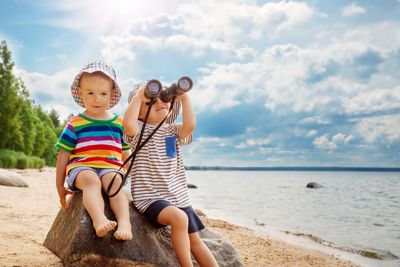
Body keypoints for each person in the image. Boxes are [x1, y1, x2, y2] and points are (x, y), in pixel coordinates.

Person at [123, 82, 218, 266]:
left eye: (164, 98)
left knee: (196, 240)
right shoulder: (138, 132)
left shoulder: (173, 131)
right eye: (151, 100)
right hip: (150, 197)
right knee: (180, 218)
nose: (160, 102)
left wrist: (184, 97)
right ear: (140, 113)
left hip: (178, 197)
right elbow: (128, 123)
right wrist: (138, 98)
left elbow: (190, 126)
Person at [55, 61, 133, 240]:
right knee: (91, 181)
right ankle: (99, 220)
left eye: (103, 93)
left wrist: (130, 176)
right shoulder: (75, 123)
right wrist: (60, 185)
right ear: (80, 94)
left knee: (114, 184)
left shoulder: (119, 123)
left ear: (111, 95)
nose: (97, 99)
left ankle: (124, 223)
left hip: (110, 167)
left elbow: (125, 154)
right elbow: (63, 155)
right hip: (82, 167)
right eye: (90, 93)